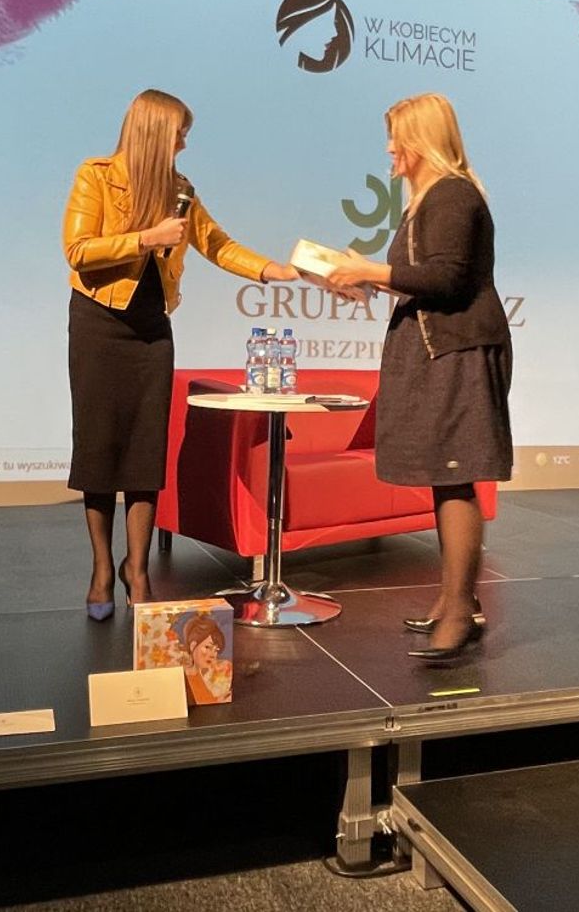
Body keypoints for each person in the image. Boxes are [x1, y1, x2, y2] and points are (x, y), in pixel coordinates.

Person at [63, 88, 298, 620]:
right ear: (153, 132)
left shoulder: (181, 190)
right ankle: (101, 570)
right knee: (99, 449)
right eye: (179, 134)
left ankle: (138, 570)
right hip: (99, 323)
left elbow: (217, 244)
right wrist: (147, 238)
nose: (185, 144)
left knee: (145, 452)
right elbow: (78, 250)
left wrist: (273, 270)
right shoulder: (96, 176)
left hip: (152, 330)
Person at [325, 93, 512, 661]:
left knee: (455, 474)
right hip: (438, 348)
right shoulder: (428, 199)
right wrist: (368, 279)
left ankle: (459, 611)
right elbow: (423, 275)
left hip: (455, 350)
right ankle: (455, 599)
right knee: (442, 474)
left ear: (422, 140)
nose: (389, 149)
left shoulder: (452, 193)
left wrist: (368, 268)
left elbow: (448, 279)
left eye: (396, 137)